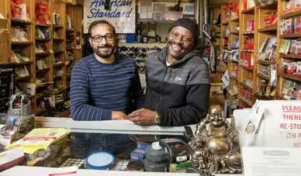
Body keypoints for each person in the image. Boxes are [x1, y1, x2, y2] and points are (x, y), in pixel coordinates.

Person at [70, 19, 144, 158]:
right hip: (93, 140)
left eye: (108, 36)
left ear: (115, 39)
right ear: (91, 42)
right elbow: (78, 110)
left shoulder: (129, 64)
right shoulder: (81, 68)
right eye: (98, 37)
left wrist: (140, 126)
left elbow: (138, 96)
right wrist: (116, 115)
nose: (104, 42)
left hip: (126, 137)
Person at [128, 18, 210, 126]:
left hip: (177, 133)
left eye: (186, 39)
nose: (178, 41)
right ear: (168, 34)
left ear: (193, 44)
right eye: (174, 34)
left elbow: (197, 111)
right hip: (147, 129)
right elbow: (149, 95)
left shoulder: (198, 67)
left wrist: (157, 117)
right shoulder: (152, 60)